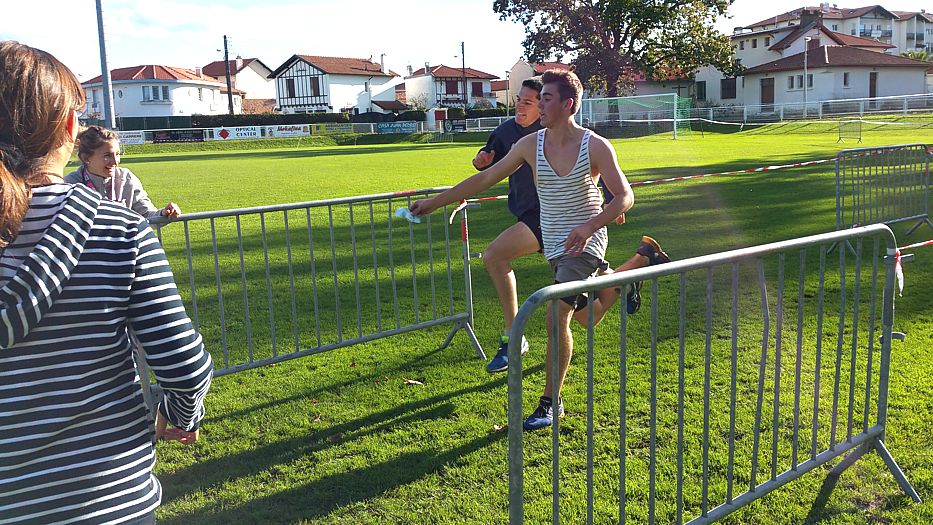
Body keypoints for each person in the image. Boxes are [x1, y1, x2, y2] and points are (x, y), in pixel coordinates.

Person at [0, 41, 212, 523]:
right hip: (104, 497)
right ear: (69, 129)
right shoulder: (117, 230)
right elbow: (183, 364)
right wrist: (182, 415)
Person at [411, 69, 652, 430]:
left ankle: (551, 404)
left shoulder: (595, 145)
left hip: (584, 243)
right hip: (554, 244)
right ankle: (628, 273)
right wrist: (436, 202)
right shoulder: (529, 145)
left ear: (568, 104)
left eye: (546, 99)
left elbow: (624, 196)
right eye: (539, 99)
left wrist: (590, 226)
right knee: (586, 318)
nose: (539, 106)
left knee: (556, 315)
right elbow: (485, 178)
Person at [476, 78, 670, 374]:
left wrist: (601, 214)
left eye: (534, 101)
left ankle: (520, 348)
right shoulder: (514, 136)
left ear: (562, 105)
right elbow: (485, 171)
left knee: (506, 265)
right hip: (550, 229)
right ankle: (636, 265)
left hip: (555, 228)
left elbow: (606, 181)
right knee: (588, 317)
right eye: (522, 101)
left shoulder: (581, 139)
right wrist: (444, 194)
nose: (525, 106)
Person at [65, 125, 181, 219]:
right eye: (107, 156)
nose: (115, 162)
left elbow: (146, 215)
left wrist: (163, 213)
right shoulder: (71, 184)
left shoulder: (126, 178)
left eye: (117, 154)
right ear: (86, 158)